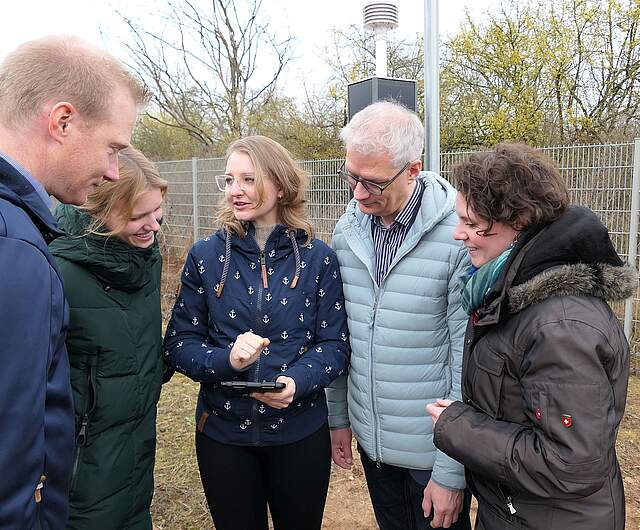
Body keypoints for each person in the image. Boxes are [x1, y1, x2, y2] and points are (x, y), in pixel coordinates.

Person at [426, 142, 635, 530]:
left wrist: (458, 427)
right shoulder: (510, 293)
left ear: (520, 220)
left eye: (472, 224)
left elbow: (571, 463)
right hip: (515, 511)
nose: (459, 235)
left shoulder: (559, 325)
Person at [163, 135, 350, 530]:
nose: (236, 191)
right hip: (223, 435)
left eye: (249, 179)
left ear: (280, 185)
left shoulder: (320, 259)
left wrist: (297, 381)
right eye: (229, 180)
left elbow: (335, 345)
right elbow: (178, 345)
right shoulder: (205, 257)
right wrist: (226, 359)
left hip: (300, 433)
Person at [0, 36, 145, 529]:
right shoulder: (14, 244)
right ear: (62, 121)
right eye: (112, 148)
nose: (113, 170)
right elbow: (13, 451)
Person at [327, 100, 472, 530]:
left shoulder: (458, 239)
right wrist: (338, 418)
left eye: (371, 182)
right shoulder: (347, 231)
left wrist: (450, 470)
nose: (357, 193)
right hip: (375, 445)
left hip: (432, 453)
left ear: (413, 168)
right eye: (351, 176)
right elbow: (342, 335)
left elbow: (465, 361)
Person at [49, 147, 167, 529]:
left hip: (135, 458)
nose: (154, 226)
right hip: (80, 477)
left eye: (157, 211)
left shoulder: (145, 256)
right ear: (97, 212)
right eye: (138, 216)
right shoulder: (56, 273)